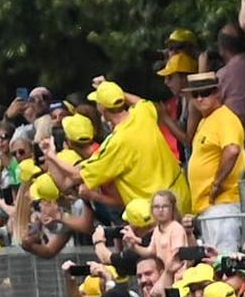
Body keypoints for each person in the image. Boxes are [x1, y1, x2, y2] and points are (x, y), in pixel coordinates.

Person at [48, 80, 191, 212]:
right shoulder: (143, 114)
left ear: (101, 107)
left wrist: (51, 155)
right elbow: (142, 102)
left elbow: (76, 174)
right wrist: (113, 90)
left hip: (157, 210)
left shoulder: (115, 143)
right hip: (180, 196)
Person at [185, 71, 245, 253]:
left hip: (223, 203)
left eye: (205, 93)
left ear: (217, 93)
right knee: (214, 257)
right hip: (210, 206)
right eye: (194, 95)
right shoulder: (206, 120)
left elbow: (232, 149)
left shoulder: (224, 117)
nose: (199, 99)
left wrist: (216, 183)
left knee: (224, 259)